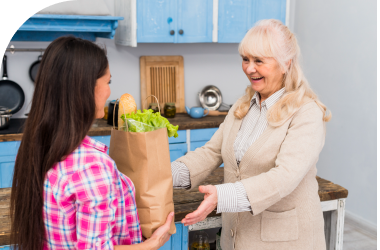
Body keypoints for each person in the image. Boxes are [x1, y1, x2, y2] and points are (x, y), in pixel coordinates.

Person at [171, 19, 332, 250]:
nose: (249, 68)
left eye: (259, 60)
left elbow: (284, 177)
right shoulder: (244, 105)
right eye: (245, 59)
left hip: (285, 242)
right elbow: (210, 152)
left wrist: (222, 195)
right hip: (237, 240)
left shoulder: (306, 112)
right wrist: (164, 175)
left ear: (286, 63)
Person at [10, 37, 173, 250]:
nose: (109, 92)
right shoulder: (92, 166)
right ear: (86, 88)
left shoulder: (36, 144)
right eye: (108, 82)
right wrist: (152, 244)